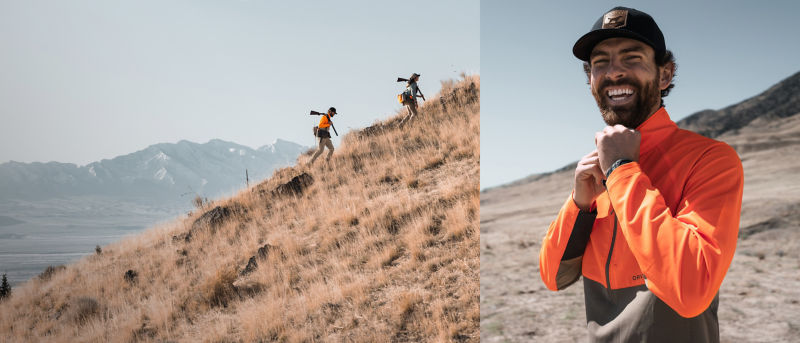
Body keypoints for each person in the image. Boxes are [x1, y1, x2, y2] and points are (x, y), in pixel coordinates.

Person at [538, 7, 743, 342]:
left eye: (631, 57)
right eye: (600, 62)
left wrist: (622, 171)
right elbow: (553, 276)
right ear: (590, 78)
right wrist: (579, 204)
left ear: (664, 74)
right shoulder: (599, 170)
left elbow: (691, 292)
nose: (614, 72)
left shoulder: (710, 160)